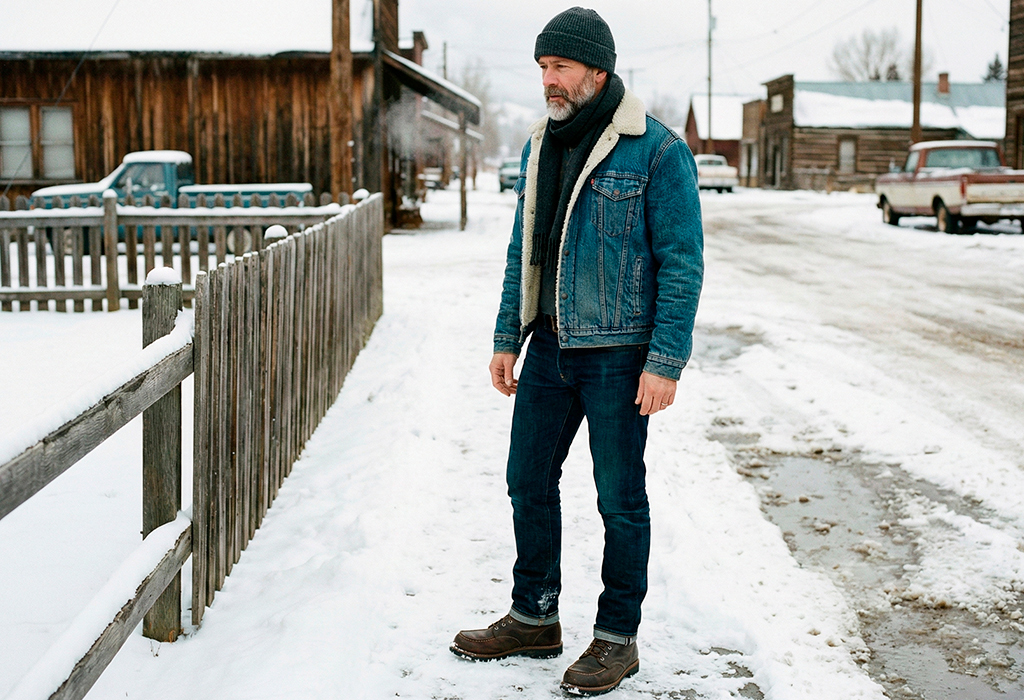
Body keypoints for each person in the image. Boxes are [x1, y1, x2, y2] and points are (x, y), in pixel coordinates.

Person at [450, 7, 703, 695]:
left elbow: (681, 263)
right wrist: (508, 338)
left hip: (620, 358)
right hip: (551, 349)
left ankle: (616, 639)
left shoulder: (656, 151)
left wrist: (665, 360)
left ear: (599, 69)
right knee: (526, 481)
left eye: (559, 66)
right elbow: (521, 253)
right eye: (541, 68)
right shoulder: (541, 146)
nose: (548, 81)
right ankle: (534, 616)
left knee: (620, 501)